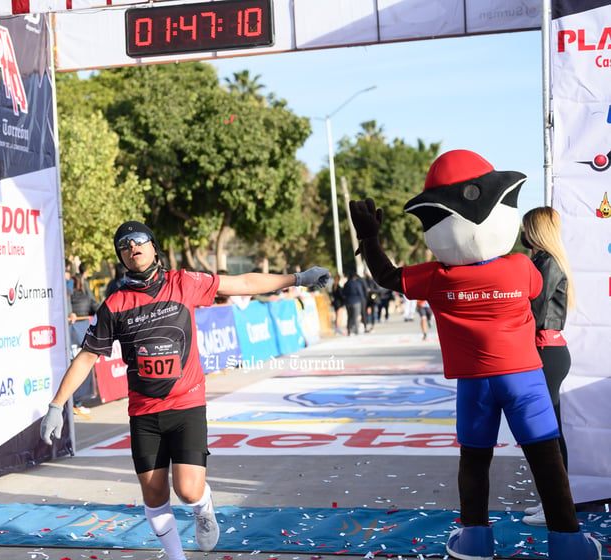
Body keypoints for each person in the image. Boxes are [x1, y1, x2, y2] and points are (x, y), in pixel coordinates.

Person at [349, 149, 599, 560]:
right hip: (525, 378)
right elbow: (538, 292)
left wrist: (369, 239)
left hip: (474, 383)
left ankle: (477, 541)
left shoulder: (435, 276)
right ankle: (568, 542)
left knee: (475, 462)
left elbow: (386, 277)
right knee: (546, 461)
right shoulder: (521, 266)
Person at [40, 221, 329, 559]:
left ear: (152, 245)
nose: (132, 248)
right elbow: (88, 357)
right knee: (154, 495)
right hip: (145, 413)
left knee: (188, 490)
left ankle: (203, 508)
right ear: (121, 256)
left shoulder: (184, 283)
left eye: (138, 241)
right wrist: (57, 405)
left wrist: (297, 279)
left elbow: (243, 282)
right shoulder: (115, 305)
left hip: (186, 405)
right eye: (124, 246)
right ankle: (176, 556)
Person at [520, 206, 576, 528]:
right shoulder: (543, 262)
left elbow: (534, 313)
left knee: (548, 433)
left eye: (526, 228)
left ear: (535, 230)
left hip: (547, 354)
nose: (522, 234)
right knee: (547, 431)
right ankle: (552, 500)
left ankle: (556, 504)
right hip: (545, 352)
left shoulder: (547, 264)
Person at [341, 271, 366, 335]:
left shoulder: (346, 284)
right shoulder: (357, 284)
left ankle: (349, 330)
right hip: (356, 302)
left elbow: (343, 293)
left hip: (348, 302)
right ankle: (356, 331)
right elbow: (361, 293)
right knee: (356, 317)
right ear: (355, 277)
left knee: (349, 317)